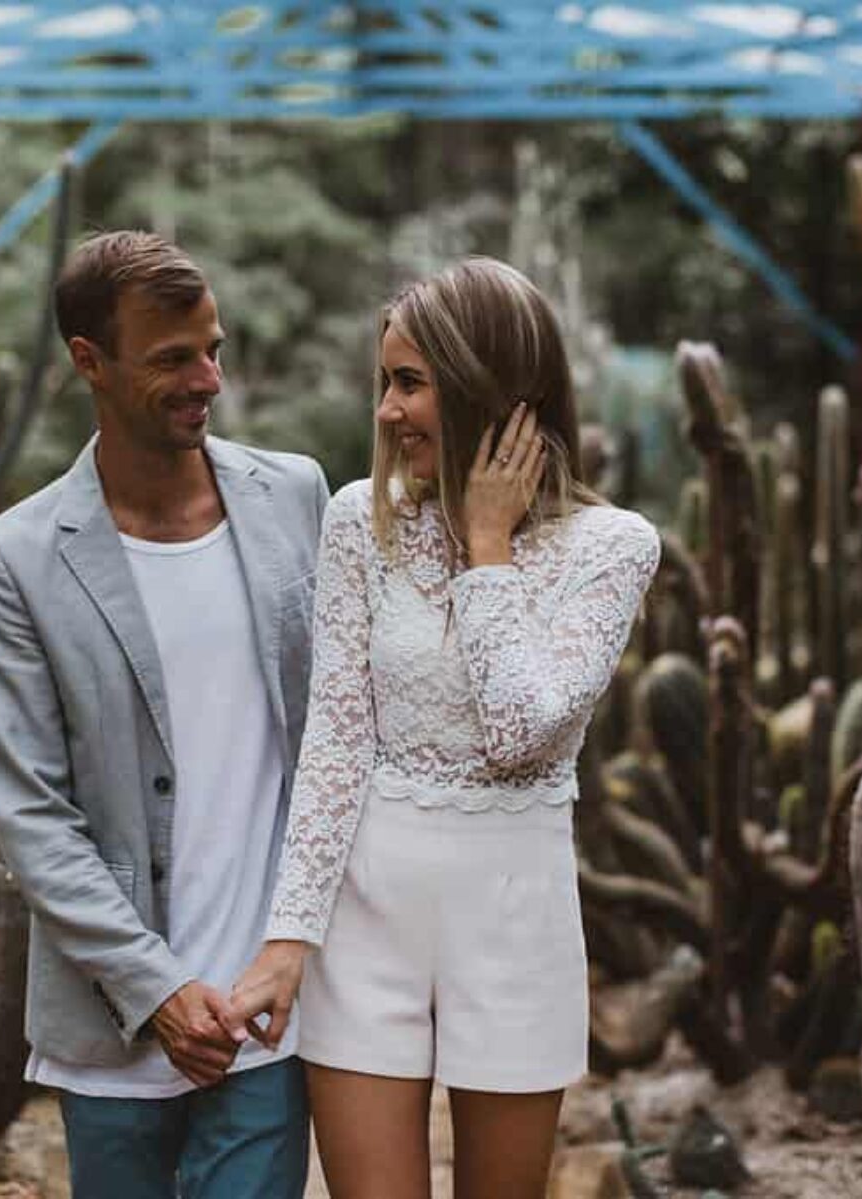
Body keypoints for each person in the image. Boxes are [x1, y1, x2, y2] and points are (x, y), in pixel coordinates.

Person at [231, 256, 661, 1197]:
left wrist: (488, 546)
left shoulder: (615, 546)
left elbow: (524, 731)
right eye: (386, 381)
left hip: (516, 916)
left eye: (411, 382)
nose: (387, 410)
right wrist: (289, 935)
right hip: (366, 915)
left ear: (491, 388)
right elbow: (336, 742)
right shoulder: (359, 523)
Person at [0, 230, 329, 1198]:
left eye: (214, 348)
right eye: (173, 357)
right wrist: (155, 986)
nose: (206, 377)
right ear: (90, 360)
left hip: (267, 1009)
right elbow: (28, 808)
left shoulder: (296, 494)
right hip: (112, 1012)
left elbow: (337, 732)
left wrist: (294, 942)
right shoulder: (16, 557)